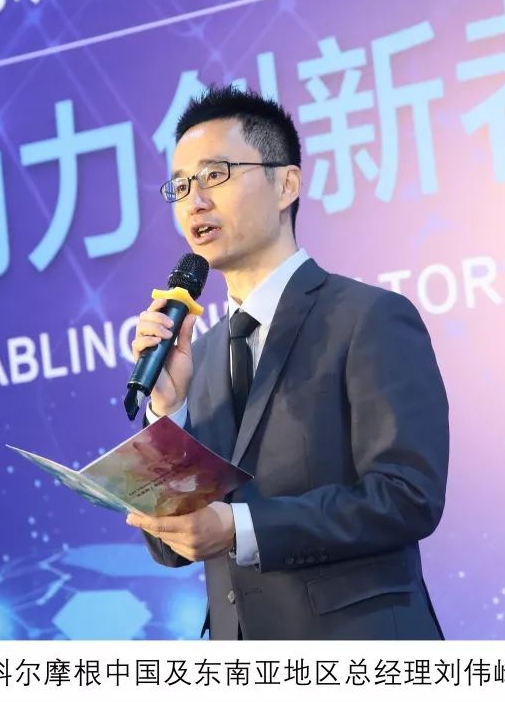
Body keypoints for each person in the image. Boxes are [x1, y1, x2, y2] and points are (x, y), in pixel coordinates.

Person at [125, 85, 449, 640]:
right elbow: (169, 548)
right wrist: (168, 413)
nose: (194, 201)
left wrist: (239, 528)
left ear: (286, 184)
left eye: (215, 174)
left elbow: (406, 497)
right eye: (180, 186)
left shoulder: (368, 317)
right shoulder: (196, 355)